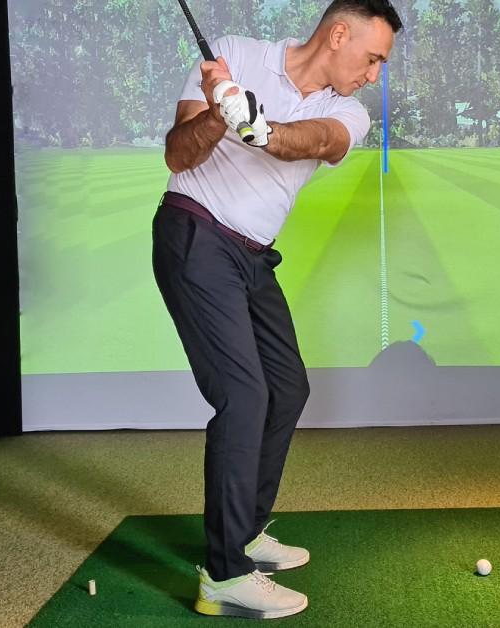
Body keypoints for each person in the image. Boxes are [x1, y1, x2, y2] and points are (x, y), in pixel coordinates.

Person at [153, 0, 402, 620]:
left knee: (287, 388)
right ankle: (224, 574)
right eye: (373, 59)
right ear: (339, 34)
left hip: (252, 255)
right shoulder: (235, 55)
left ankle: (244, 530)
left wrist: (257, 126)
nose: (374, 75)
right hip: (196, 232)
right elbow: (178, 155)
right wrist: (219, 113)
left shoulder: (348, 110)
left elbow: (314, 142)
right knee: (244, 395)